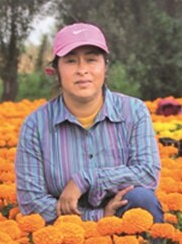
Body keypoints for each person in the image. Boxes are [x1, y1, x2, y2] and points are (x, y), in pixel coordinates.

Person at [15, 22, 165, 224]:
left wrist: (85, 179)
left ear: (105, 66)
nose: (82, 70)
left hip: (123, 217)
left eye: (91, 60)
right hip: (62, 229)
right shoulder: (36, 125)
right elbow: (31, 202)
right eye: (70, 61)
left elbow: (147, 173)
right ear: (56, 70)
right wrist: (97, 217)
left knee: (143, 199)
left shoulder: (134, 111)